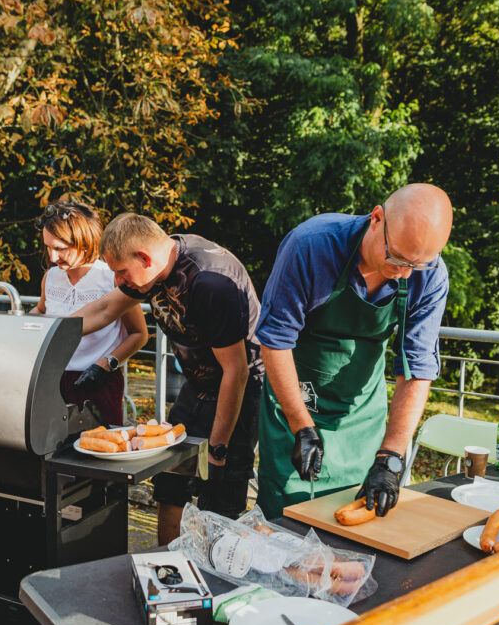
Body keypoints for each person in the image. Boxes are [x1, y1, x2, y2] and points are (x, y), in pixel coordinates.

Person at [255, 184, 453, 519]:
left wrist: (390, 458)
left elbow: (417, 368)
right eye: (396, 258)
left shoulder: (430, 275)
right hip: (295, 398)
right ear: (377, 218)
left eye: (416, 265)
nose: (404, 273)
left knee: (358, 526)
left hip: (360, 414)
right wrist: (301, 425)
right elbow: (275, 340)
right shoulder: (311, 247)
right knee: (285, 519)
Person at [72, 213, 263, 544]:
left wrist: (217, 449)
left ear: (144, 258)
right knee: (170, 483)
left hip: (239, 391)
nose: (118, 281)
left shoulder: (209, 281)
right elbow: (104, 310)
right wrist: (49, 333)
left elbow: (237, 370)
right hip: (196, 386)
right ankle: (167, 569)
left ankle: (212, 579)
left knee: (218, 495)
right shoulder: (152, 268)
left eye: (121, 272)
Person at [29, 201, 149, 425]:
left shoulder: (112, 278)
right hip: (52, 376)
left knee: (98, 450)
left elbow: (139, 334)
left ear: (84, 241)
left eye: (60, 248)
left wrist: (105, 365)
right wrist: (21, 322)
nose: (53, 257)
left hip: (98, 380)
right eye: (48, 248)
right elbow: (42, 310)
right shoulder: (51, 277)